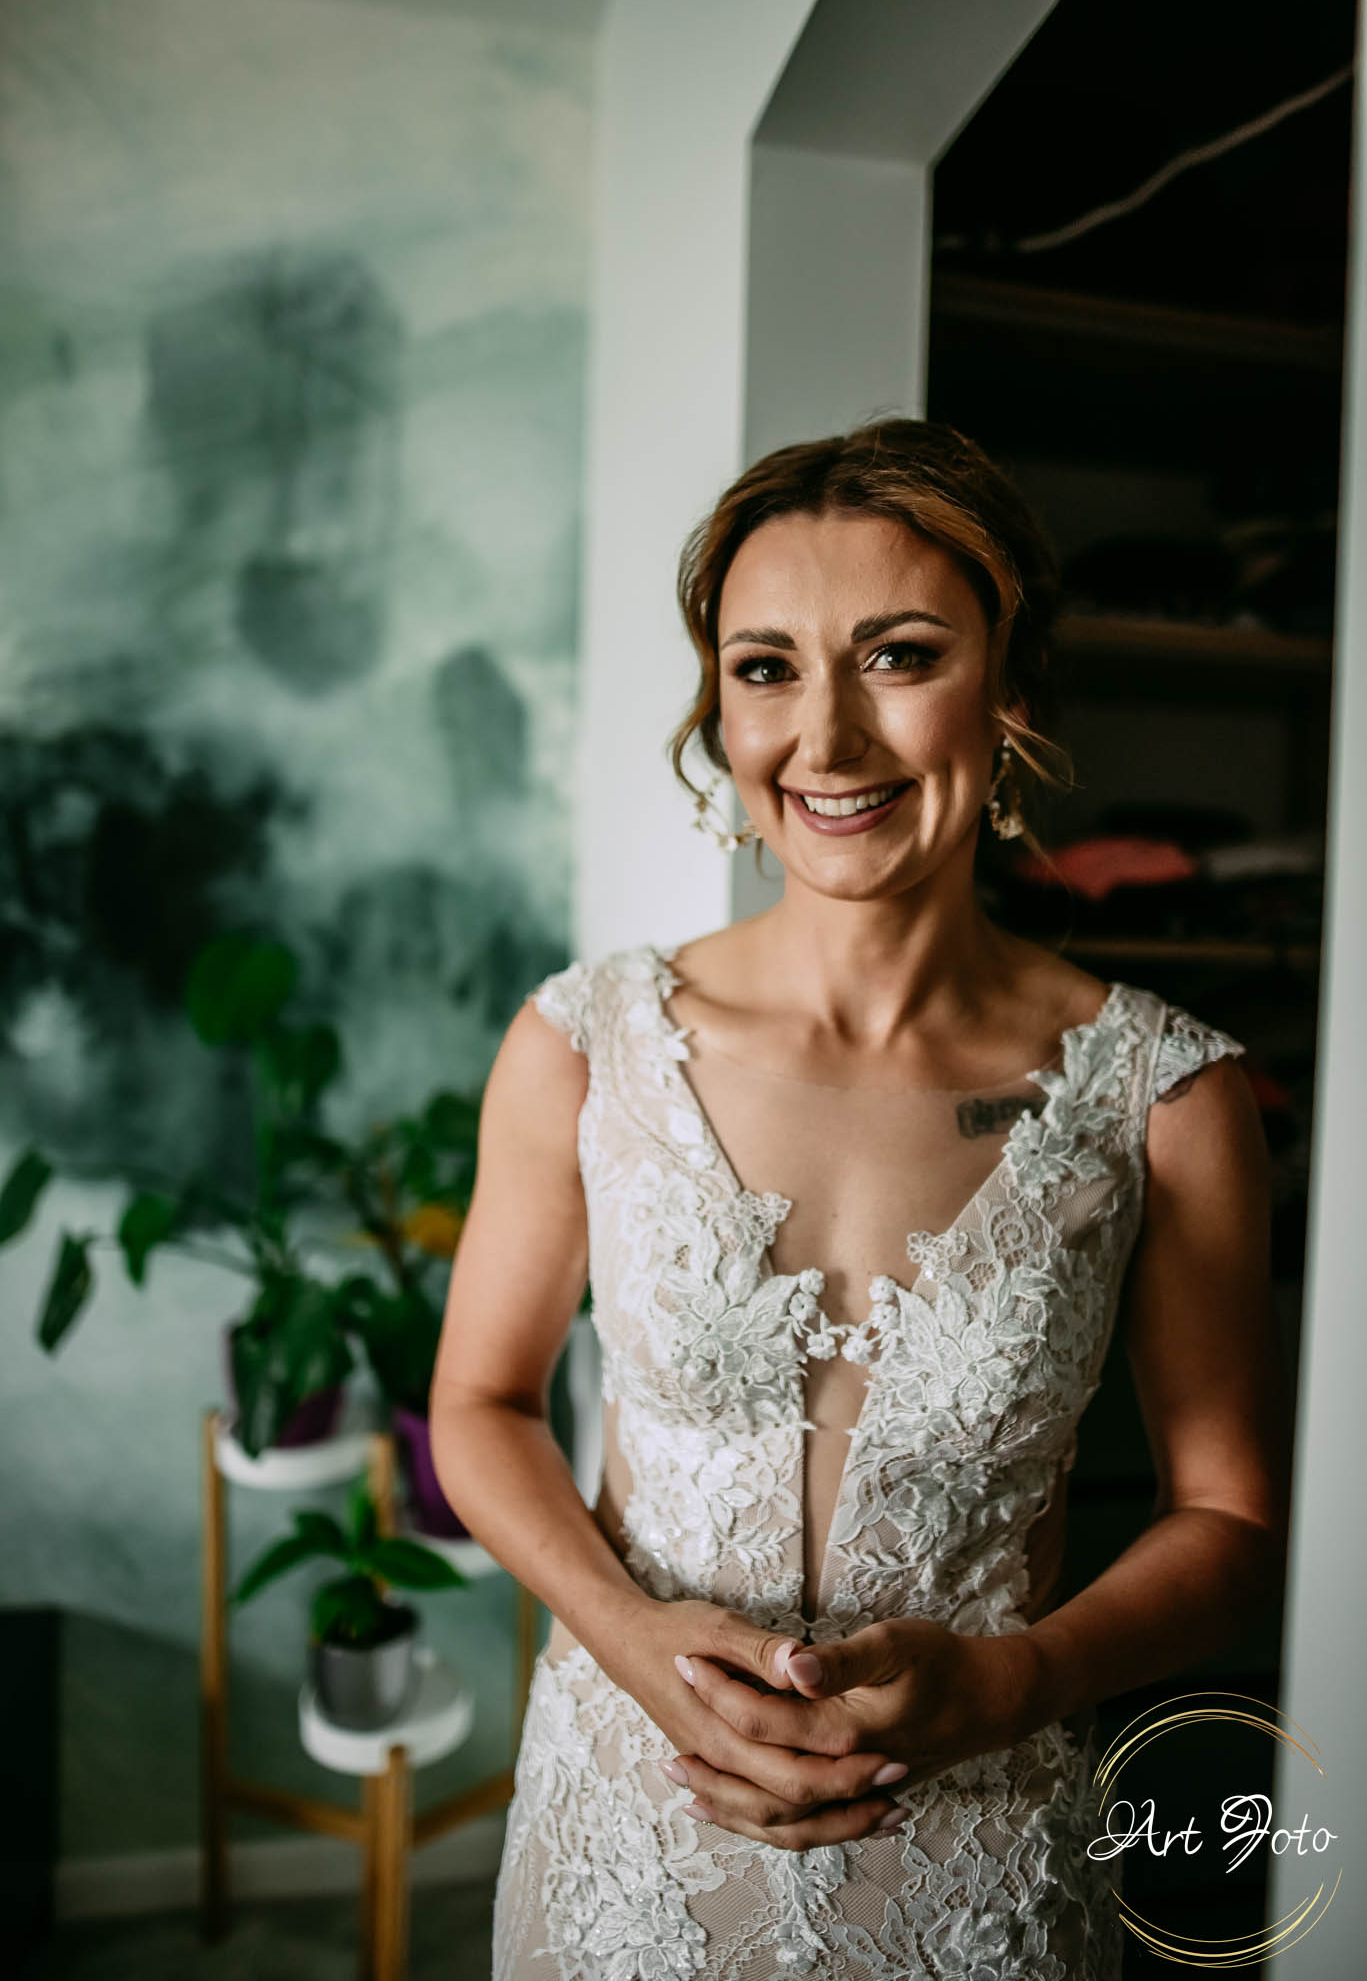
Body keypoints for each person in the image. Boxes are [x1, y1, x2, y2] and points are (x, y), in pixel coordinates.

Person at [430, 420, 1289, 1980]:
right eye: (765, 669)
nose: (826, 737)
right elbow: (481, 1406)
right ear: (720, 709)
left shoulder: (1166, 1097)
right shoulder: (584, 1044)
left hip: (981, 1875)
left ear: (1010, 687)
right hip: (628, 1848)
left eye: (898, 656)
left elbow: (1228, 1525)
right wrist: (631, 1642)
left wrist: (1019, 1682)